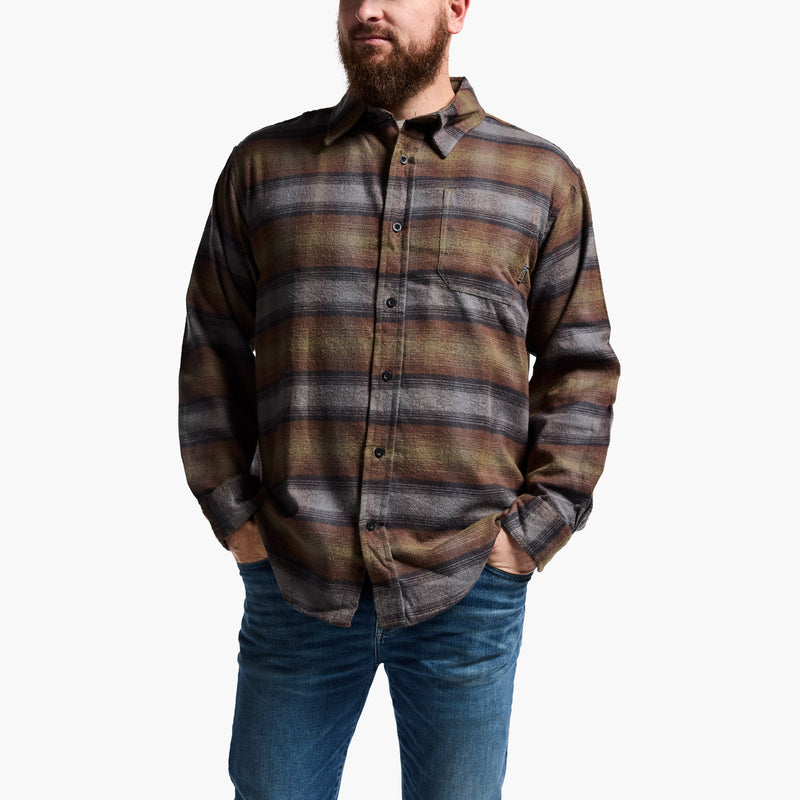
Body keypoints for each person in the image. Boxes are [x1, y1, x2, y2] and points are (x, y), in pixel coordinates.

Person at [179, 0, 620, 797]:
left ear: (456, 8)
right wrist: (238, 521)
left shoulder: (539, 178)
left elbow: (579, 365)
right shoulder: (264, 168)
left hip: (469, 582)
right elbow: (211, 349)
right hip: (296, 575)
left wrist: (528, 536)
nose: (367, 10)